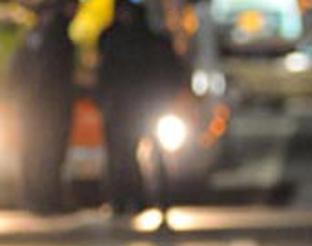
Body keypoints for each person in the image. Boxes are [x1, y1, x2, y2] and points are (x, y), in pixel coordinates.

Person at [97, 0, 184, 215]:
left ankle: (149, 199)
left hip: (143, 105)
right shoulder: (113, 38)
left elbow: (172, 73)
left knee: (146, 155)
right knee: (122, 156)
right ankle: (125, 199)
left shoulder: (148, 41)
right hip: (127, 106)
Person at [8, 0, 78, 215]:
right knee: (47, 153)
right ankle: (45, 200)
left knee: (36, 153)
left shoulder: (34, 36)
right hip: (48, 106)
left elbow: (16, 70)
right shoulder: (55, 36)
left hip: (33, 106)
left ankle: (37, 198)